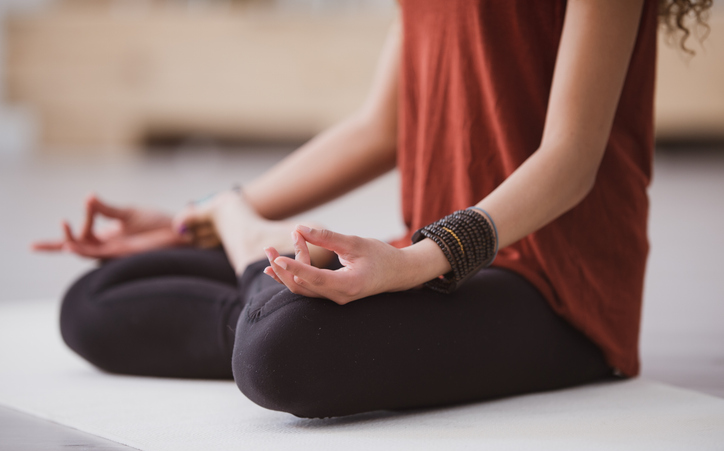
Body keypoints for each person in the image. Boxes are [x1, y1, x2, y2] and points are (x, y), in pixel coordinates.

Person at [33, 0, 711, 419]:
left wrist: (417, 260)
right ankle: (260, 287)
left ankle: (259, 287)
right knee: (93, 300)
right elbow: (379, 128)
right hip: (422, 260)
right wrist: (195, 217)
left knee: (279, 353)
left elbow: (571, 160)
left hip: (557, 292)